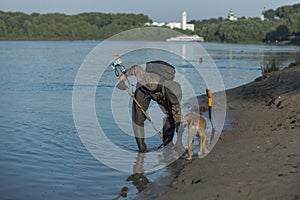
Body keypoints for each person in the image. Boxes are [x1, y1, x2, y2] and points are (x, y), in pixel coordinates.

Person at [117, 60, 183, 153]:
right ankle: (142, 149)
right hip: (143, 90)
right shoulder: (148, 79)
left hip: (161, 95)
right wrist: (124, 77)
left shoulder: (173, 92)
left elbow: (178, 117)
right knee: (137, 119)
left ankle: (167, 144)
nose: (174, 104)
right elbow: (136, 69)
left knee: (171, 116)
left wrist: (179, 141)